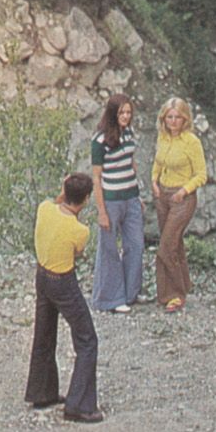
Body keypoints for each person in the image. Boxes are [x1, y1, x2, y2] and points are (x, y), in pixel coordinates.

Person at [25, 172, 103, 423]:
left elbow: (58, 202)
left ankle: (41, 392)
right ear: (87, 198)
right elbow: (77, 253)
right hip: (62, 281)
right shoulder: (79, 230)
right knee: (87, 339)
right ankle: (79, 404)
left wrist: (65, 191)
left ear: (65, 191)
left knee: (44, 333)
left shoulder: (44, 209)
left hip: (42, 275)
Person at [151, 97, 207, 312]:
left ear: (185, 120)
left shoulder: (191, 141)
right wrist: (154, 181)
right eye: (169, 117)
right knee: (175, 244)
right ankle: (182, 286)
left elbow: (201, 175)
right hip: (162, 196)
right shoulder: (163, 137)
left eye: (177, 118)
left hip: (182, 199)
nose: (173, 122)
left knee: (166, 246)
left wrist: (184, 191)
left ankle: (174, 295)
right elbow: (158, 162)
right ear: (163, 119)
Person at [91, 94, 144, 313]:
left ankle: (131, 292)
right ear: (113, 113)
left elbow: (132, 164)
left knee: (136, 244)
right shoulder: (100, 140)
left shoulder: (130, 133)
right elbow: (96, 177)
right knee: (109, 248)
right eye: (122, 112)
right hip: (111, 199)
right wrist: (101, 210)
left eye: (129, 112)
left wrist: (138, 195)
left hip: (130, 197)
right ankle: (111, 299)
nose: (126, 116)